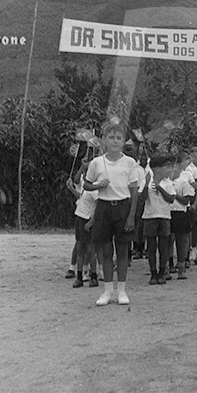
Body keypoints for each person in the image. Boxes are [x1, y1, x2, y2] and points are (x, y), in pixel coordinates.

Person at [84, 121, 142, 306]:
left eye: (119, 138)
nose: (115, 141)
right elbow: (86, 184)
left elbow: (134, 191)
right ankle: (108, 291)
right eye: (111, 137)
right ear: (104, 141)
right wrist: (97, 185)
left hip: (123, 207)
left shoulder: (130, 162)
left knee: (123, 250)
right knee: (106, 250)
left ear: (124, 141)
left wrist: (131, 216)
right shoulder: (97, 163)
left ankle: (122, 291)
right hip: (104, 208)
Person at [67, 153, 99, 288]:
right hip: (80, 218)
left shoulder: (93, 189)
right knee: (80, 247)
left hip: (87, 220)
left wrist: (92, 221)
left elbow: (98, 206)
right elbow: (81, 197)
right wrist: (71, 188)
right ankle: (79, 275)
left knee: (91, 249)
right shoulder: (86, 188)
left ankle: (93, 275)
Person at [142, 154, 175, 285]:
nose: (168, 170)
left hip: (164, 216)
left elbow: (171, 199)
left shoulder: (168, 183)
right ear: (157, 169)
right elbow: (142, 199)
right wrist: (146, 184)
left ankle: (162, 272)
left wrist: (159, 187)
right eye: (165, 167)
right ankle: (153, 272)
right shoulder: (147, 181)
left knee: (163, 246)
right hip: (150, 216)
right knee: (151, 246)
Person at [169, 153, 196, 279]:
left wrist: (174, 195)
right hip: (167, 212)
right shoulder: (166, 181)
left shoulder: (183, 181)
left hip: (180, 212)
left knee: (181, 240)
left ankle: (181, 266)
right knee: (168, 240)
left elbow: (186, 200)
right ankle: (169, 265)